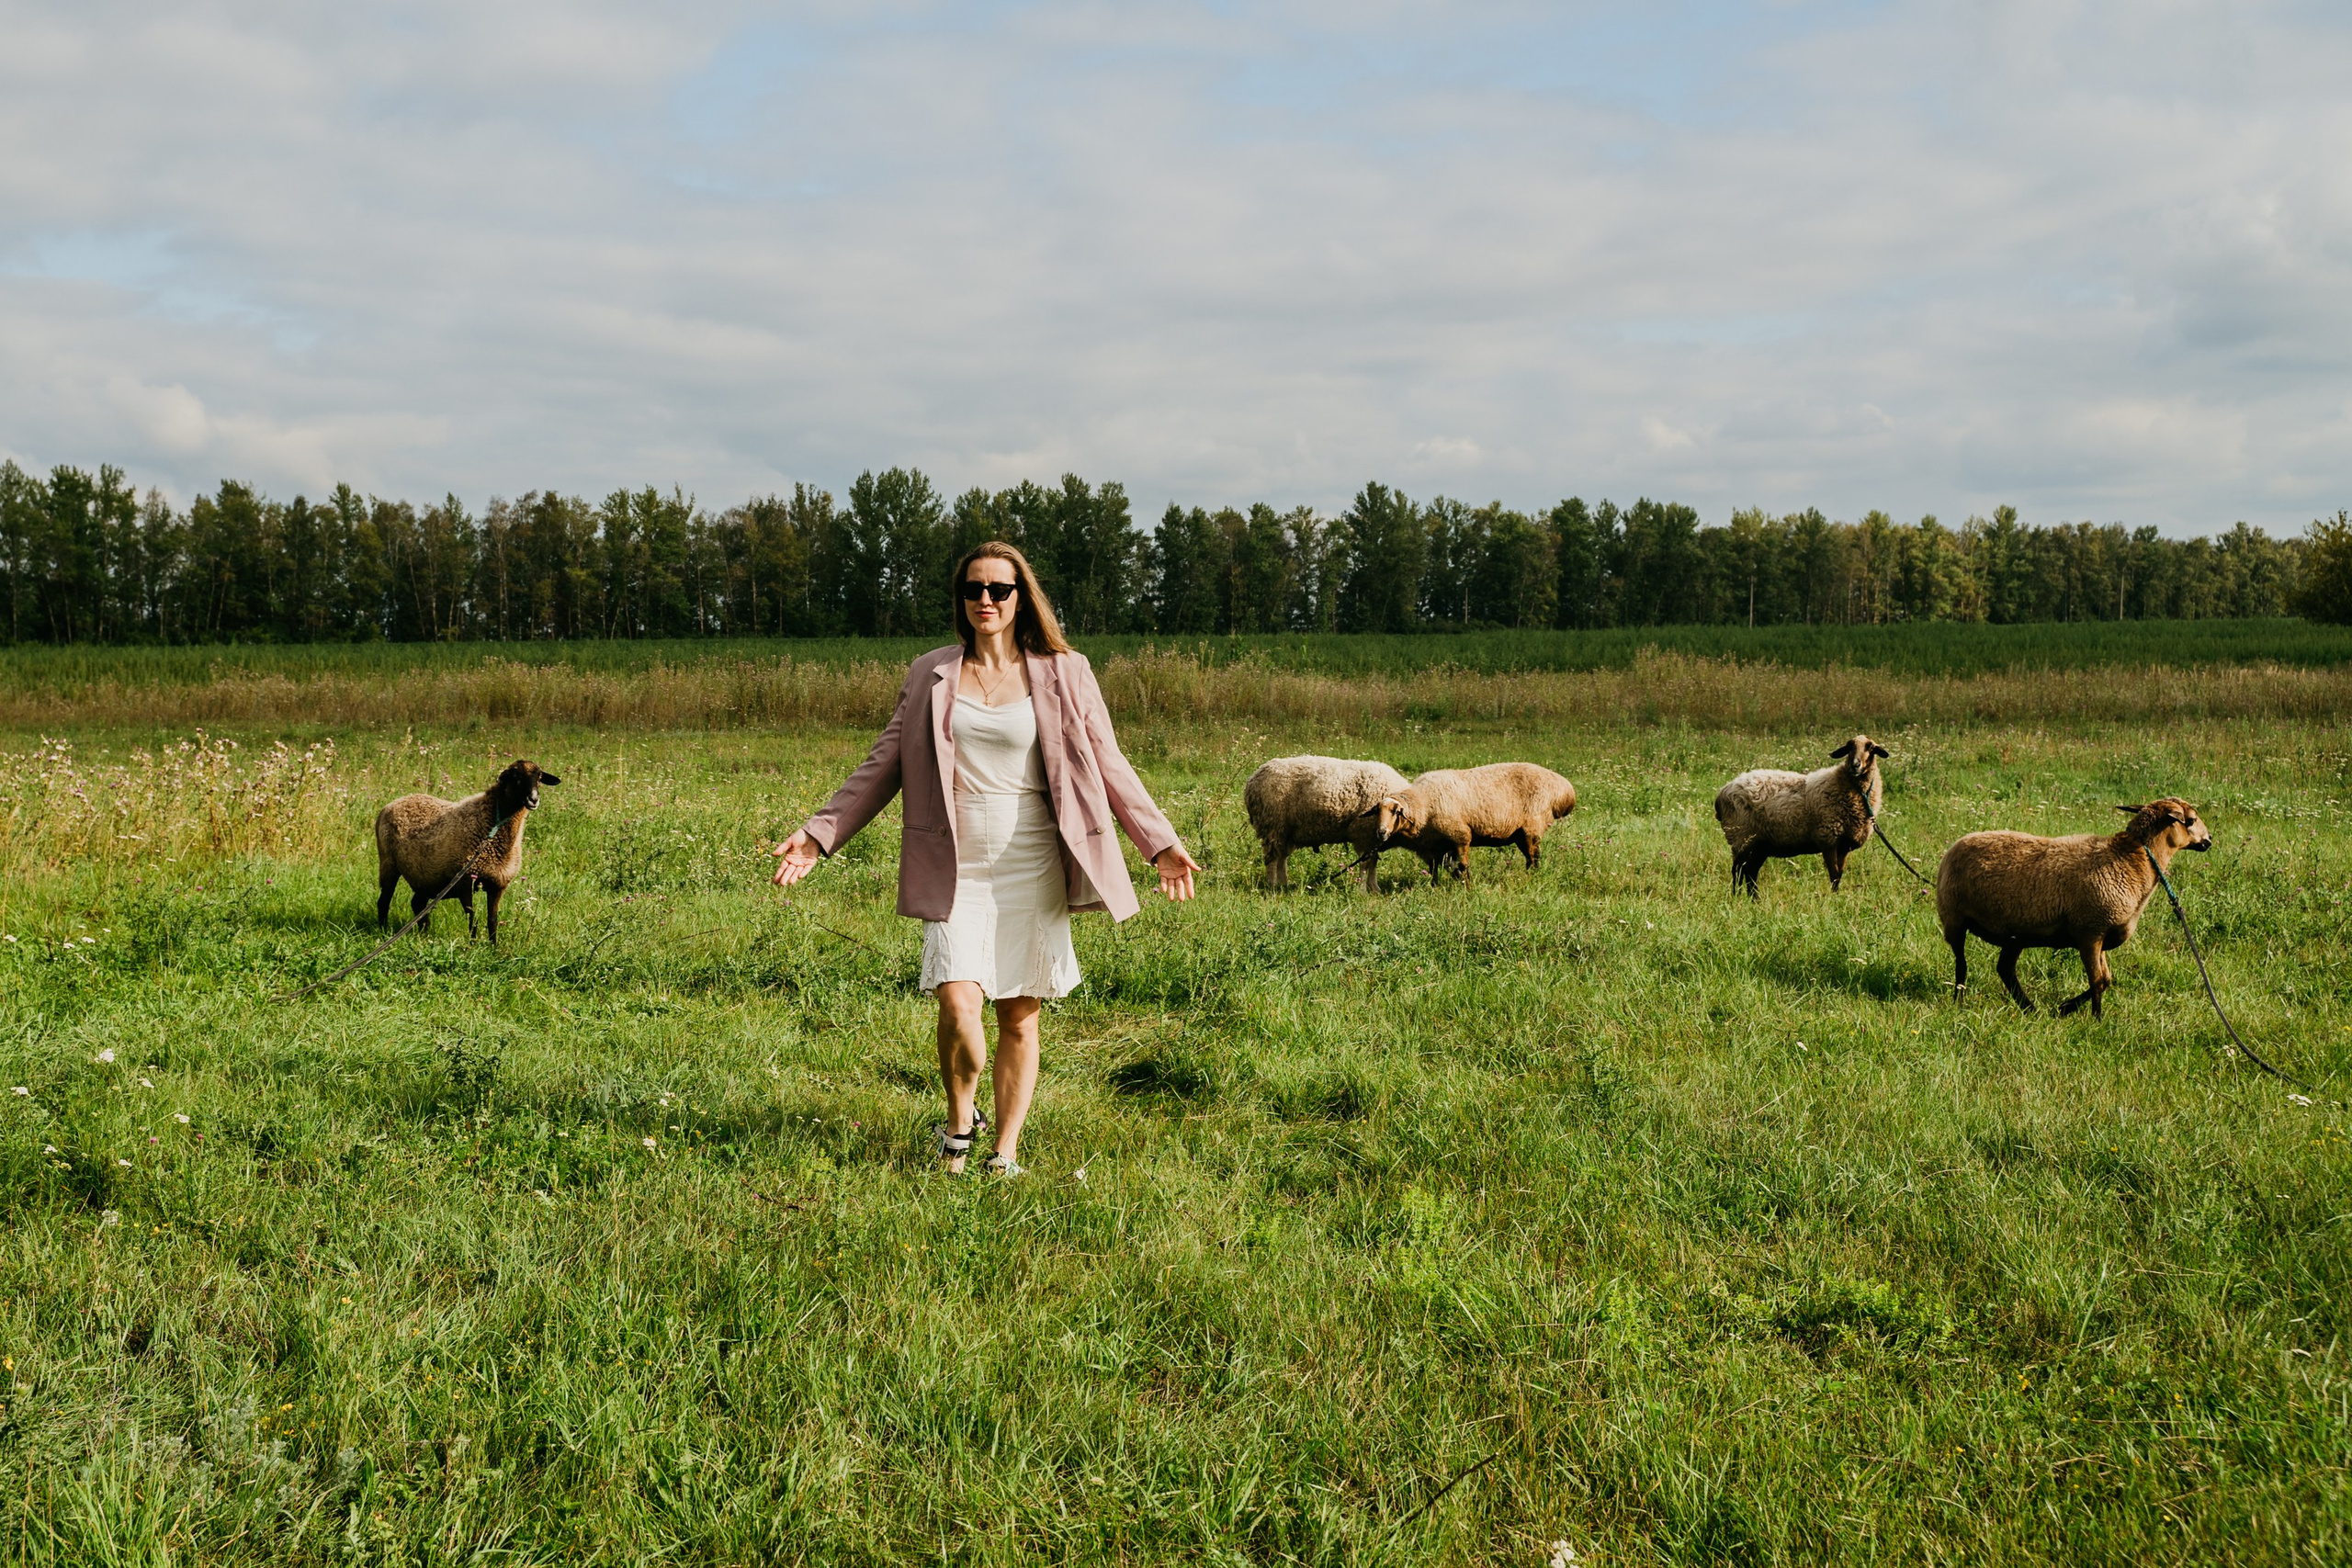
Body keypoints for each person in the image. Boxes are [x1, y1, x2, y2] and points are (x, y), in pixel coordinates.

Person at [771, 542, 1200, 1175]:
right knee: (957, 1003)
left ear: (1021, 598)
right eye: (974, 589)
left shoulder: (1065, 671)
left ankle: (1004, 1150)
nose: (986, 600)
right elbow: (883, 763)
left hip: (1032, 861)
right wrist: (819, 834)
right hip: (956, 864)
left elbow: (1109, 760)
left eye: (1000, 589)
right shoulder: (931, 673)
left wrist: (1158, 841)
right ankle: (958, 1120)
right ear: (961, 599)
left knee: (1019, 1016)